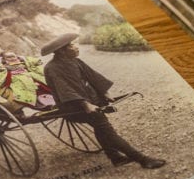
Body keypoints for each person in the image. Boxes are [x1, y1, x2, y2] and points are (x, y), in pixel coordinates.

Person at [41, 33, 165, 170]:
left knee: (100, 127)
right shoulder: (52, 68)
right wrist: (85, 104)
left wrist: (105, 93)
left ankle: (115, 157)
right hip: (72, 107)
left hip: (90, 102)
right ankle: (143, 160)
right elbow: (65, 89)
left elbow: (93, 76)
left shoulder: (76, 61)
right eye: (71, 45)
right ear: (61, 51)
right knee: (107, 130)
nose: (76, 47)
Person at [0, 41, 54, 108]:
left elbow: (28, 61)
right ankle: (42, 103)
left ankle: (52, 98)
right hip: (12, 78)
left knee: (40, 80)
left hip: (26, 73)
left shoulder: (10, 54)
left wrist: (24, 63)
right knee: (26, 84)